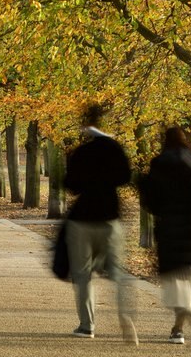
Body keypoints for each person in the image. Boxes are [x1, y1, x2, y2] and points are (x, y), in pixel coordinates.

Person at [63, 102, 137, 344]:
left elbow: (71, 185)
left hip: (83, 218)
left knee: (82, 275)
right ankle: (126, 316)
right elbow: (125, 177)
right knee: (117, 272)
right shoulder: (115, 148)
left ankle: (87, 326)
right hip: (109, 215)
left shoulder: (80, 152)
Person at [139, 126, 191, 345]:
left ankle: (179, 325)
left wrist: (154, 207)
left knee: (173, 277)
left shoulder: (159, 163)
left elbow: (150, 196)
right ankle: (181, 323)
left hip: (169, 225)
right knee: (189, 274)